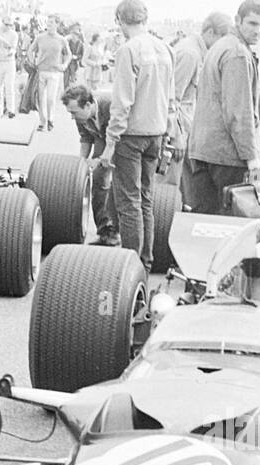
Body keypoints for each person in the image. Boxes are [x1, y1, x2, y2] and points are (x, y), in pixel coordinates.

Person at [100, 0, 172, 272]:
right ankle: (146, 260)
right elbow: (171, 98)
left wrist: (110, 144)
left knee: (128, 201)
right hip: (157, 133)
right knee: (146, 199)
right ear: (145, 18)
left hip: (131, 136)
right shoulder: (164, 49)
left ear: (120, 20)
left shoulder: (128, 50)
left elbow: (121, 103)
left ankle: (131, 265)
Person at [185, 0, 260, 215]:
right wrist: (252, 156)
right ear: (238, 20)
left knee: (205, 221)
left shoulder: (220, 46)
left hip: (203, 149)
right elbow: (238, 112)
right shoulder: (237, 53)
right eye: (252, 23)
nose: (257, 31)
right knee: (231, 227)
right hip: (226, 155)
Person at [170, 11, 231, 187]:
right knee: (169, 193)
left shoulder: (198, 52)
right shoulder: (190, 54)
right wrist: (178, 136)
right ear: (210, 32)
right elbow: (173, 99)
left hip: (187, 131)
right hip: (177, 136)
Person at [62, 83, 119, 245]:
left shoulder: (110, 105)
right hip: (102, 137)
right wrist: (81, 164)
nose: (72, 117)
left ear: (88, 105)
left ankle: (120, 229)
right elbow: (86, 139)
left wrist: (103, 159)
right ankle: (106, 232)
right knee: (99, 178)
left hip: (123, 137)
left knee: (119, 182)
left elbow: (120, 133)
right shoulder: (81, 115)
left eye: (74, 112)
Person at [29, 14, 71, 131]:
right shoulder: (40, 37)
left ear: (57, 24)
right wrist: (32, 61)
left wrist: (64, 65)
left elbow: (68, 54)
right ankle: (42, 122)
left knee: (50, 98)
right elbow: (30, 50)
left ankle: (50, 119)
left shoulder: (61, 40)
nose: (49, 25)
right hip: (41, 71)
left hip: (54, 72)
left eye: (51, 22)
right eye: (48, 22)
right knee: (41, 98)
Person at [0, 15, 19, 117]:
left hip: (9, 62)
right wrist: (4, 41)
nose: (8, 27)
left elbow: (13, 48)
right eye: (6, 24)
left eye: (10, 25)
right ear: (2, 23)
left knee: (9, 86)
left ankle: (11, 110)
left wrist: (11, 52)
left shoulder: (14, 34)